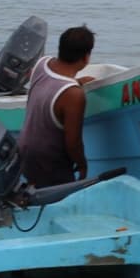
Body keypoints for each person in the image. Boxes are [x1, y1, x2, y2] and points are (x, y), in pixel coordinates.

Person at [17, 25, 94, 186]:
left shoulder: (41, 64)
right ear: (86, 57)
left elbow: (48, 85)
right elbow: (73, 142)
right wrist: (82, 164)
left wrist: (77, 81)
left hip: (24, 151)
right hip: (49, 162)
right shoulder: (73, 95)